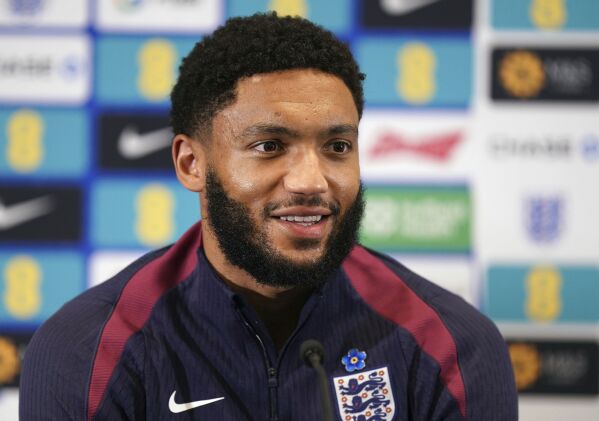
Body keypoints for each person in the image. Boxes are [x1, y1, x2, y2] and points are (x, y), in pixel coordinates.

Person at [20, 13, 517, 421]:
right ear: (191, 164)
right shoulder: (87, 349)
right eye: (269, 146)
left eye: (337, 146)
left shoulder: (451, 343)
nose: (311, 181)